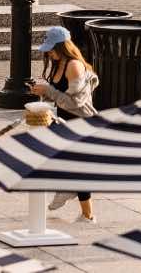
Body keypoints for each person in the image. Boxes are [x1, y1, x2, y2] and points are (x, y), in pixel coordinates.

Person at [29, 25, 98, 223]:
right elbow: (58, 97)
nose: (49, 53)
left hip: (82, 123)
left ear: (63, 47)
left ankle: (86, 212)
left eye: (51, 49)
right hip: (64, 121)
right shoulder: (58, 63)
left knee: (77, 168)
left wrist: (48, 90)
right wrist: (41, 92)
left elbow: (75, 102)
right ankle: (74, 197)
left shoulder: (74, 66)